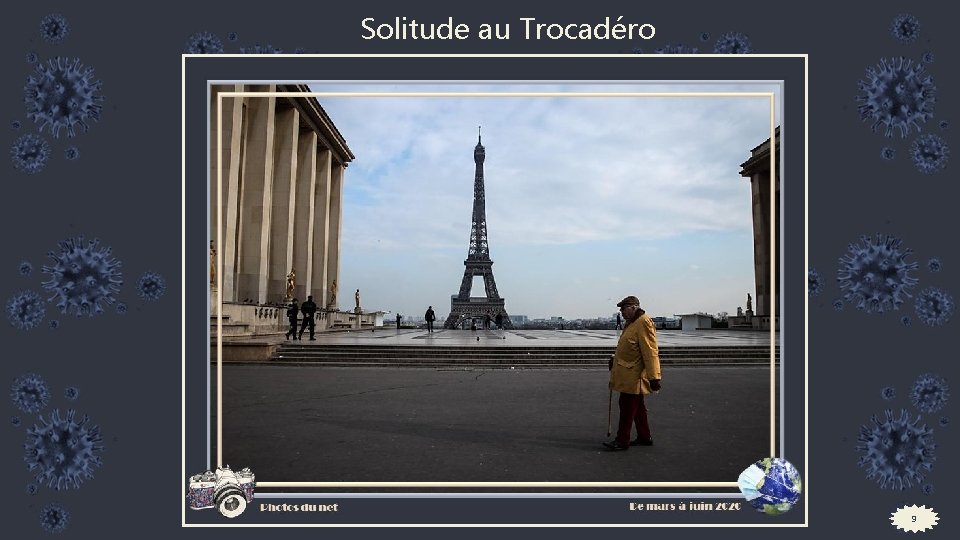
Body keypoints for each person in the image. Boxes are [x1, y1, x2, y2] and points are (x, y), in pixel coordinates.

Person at [604, 295, 662, 451]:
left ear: (634, 307)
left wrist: (654, 377)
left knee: (627, 407)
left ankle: (622, 440)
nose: (621, 312)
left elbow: (650, 352)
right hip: (628, 373)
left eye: (623, 309)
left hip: (634, 376)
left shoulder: (643, 322)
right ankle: (644, 436)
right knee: (638, 407)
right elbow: (630, 348)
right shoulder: (631, 323)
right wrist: (614, 359)